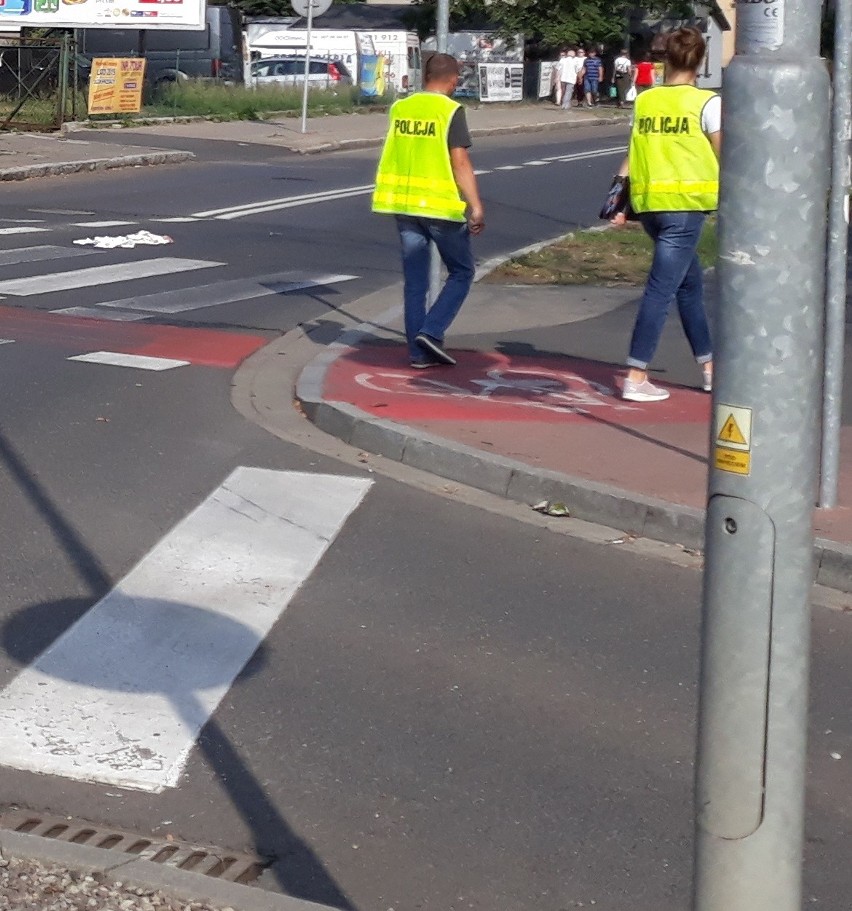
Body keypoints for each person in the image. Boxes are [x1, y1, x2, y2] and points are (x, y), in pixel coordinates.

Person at [610, 26, 721, 402]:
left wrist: (616, 202)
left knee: (688, 285)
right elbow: (728, 158)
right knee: (661, 290)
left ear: (666, 60)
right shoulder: (707, 104)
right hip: (685, 209)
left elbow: (632, 152)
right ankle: (636, 374)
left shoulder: (646, 101)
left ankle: (709, 367)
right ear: (700, 62)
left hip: (651, 208)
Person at [372, 53, 485, 369]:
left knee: (415, 282)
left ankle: (418, 354)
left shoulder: (400, 107)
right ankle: (432, 331)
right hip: (439, 206)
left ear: (424, 78)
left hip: (403, 204)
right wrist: (475, 206)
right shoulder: (450, 111)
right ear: (453, 81)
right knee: (463, 271)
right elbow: (459, 161)